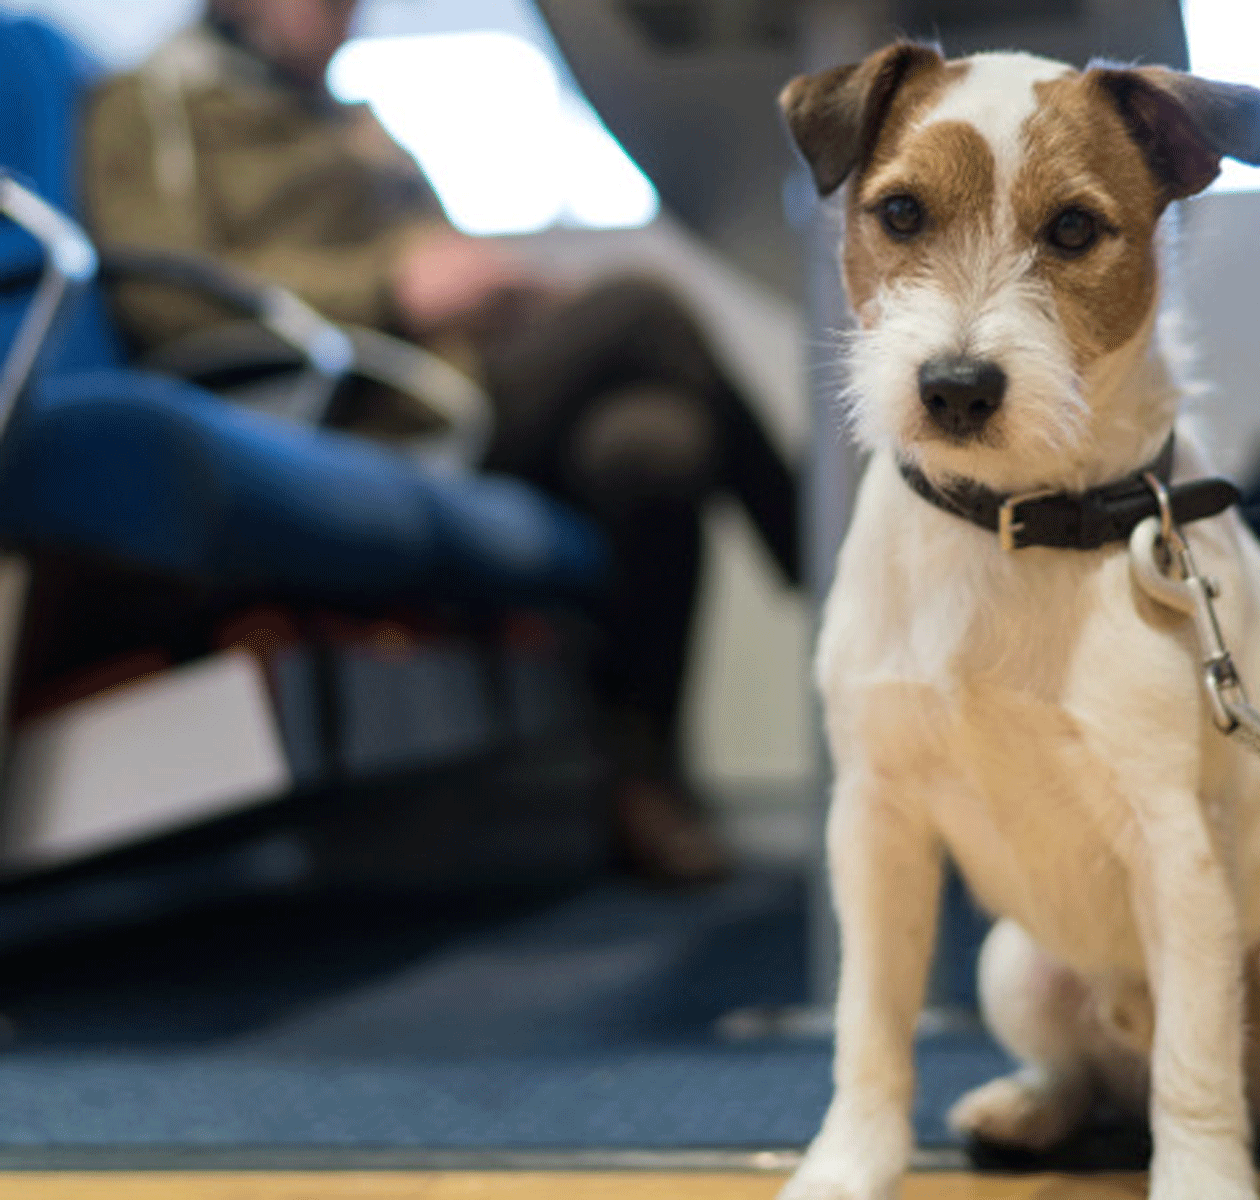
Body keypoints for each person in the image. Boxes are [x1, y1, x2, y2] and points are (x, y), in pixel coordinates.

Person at [80, 0, 802, 884]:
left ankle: (644, 781)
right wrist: (389, 287)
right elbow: (163, 294)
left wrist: (498, 295)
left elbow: (434, 250)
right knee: (646, 308)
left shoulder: (350, 120)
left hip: (455, 377)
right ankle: (822, 558)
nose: (347, 15)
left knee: (651, 445)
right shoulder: (150, 104)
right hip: (355, 402)